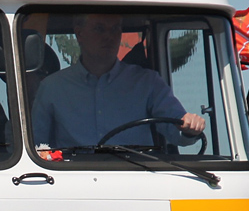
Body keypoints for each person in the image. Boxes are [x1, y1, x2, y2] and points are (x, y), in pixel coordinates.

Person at [32, 13, 205, 151]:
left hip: (136, 178)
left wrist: (190, 127)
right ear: (79, 33)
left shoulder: (148, 82)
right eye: (100, 29)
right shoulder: (52, 87)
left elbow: (176, 129)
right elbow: (37, 146)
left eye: (115, 29)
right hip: (72, 182)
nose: (109, 36)